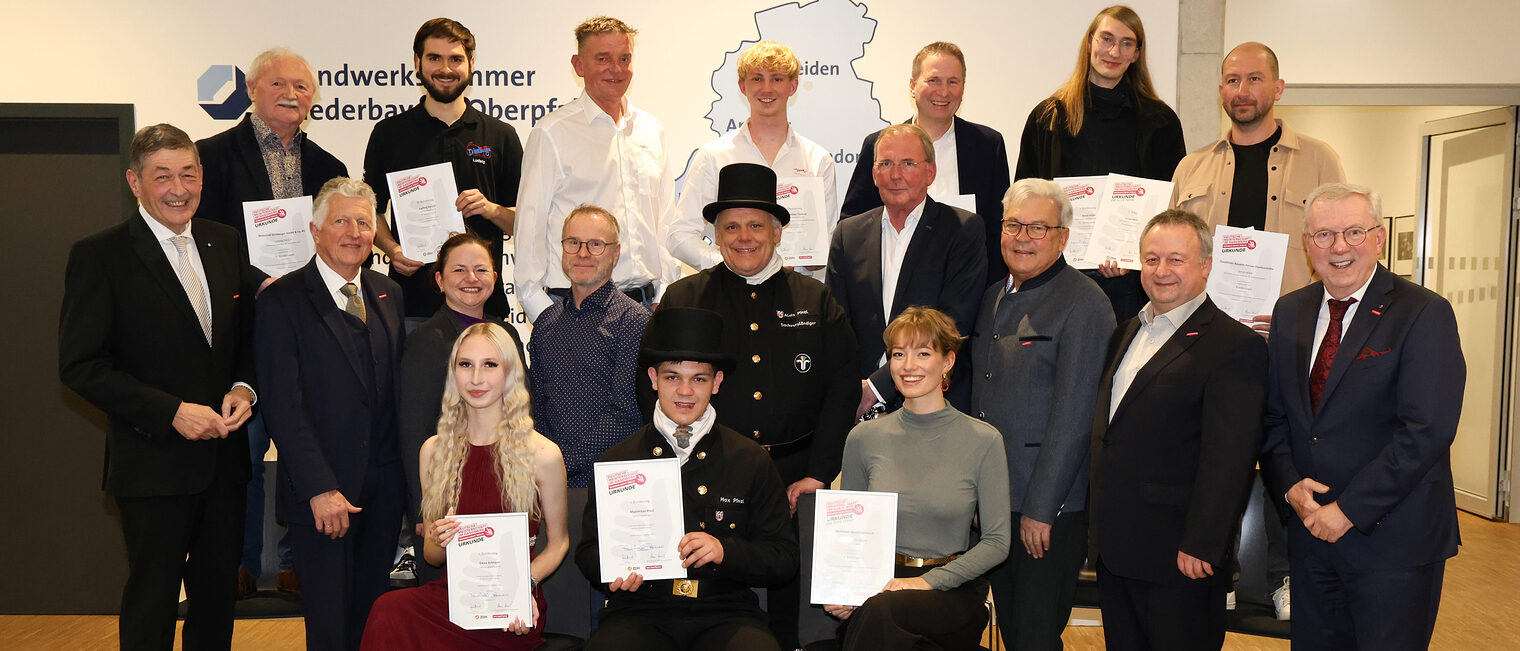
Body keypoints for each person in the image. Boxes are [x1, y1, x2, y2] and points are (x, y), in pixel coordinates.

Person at [60, 123, 261, 650]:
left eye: (188, 173)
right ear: (135, 182)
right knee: (151, 603)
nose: (178, 188)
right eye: (162, 175)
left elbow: (245, 341)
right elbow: (82, 366)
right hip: (152, 465)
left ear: (202, 176)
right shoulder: (100, 256)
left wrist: (244, 387)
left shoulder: (224, 241)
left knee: (217, 602)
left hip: (224, 465)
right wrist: (170, 411)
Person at [1170, 41, 1346, 620]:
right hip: (1207, 342)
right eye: (1231, 80)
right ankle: (1215, 567)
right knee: (1207, 454)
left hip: (1287, 341)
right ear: (1220, 90)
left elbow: (1337, 250)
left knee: (1287, 457)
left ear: (1277, 87)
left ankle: (1285, 576)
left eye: (1253, 79)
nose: (1241, 91)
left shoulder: (1318, 160)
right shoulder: (1191, 167)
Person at [659, 162, 859, 648]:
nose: (743, 237)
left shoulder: (816, 299)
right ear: (716, 232)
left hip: (794, 470)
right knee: (707, 588)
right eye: (731, 226)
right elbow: (655, 385)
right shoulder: (685, 297)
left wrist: (819, 470)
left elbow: (842, 390)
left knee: (785, 590)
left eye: (755, 225)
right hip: (705, 467)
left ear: (778, 230)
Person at [1261, 183, 1464, 650]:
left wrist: (1349, 511)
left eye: (1354, 232)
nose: (1339, 247)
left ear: (1379, 238)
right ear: (1307, 244)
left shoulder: (1423, 313)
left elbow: (1426, 430)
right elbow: (1274, 416)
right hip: (1311, 535)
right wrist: (1289, 484)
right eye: (1324, 235)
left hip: (1392, 541)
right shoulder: (1290, 311)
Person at [195, 45, 348, 599]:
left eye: (303, 87)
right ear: (253, 90)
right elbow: (205, 241)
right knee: (244, 449)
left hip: (312, 325)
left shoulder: (330, 167)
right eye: (280, 84)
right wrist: (260, 277)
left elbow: (341, 240)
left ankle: (297, 559)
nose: (291, 94)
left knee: (310, 438)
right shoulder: (211, 157)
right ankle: (236, 559)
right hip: (244, 322)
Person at [1090, 210, 1267, 650]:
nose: (1161, 271)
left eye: (1176, 259)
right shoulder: (1127, 331)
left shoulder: (1234, 346)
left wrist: (1205, 544)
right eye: (1151, 259)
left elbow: (1230, 459)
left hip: (1181, 556)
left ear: (1206, 265)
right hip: (1119, 549)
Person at [577, 307, 798, 651]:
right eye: (672, 377)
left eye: (699, 378)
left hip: (726, 611)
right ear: (653, 379)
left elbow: (784, 558)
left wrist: (726, 550)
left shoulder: (750, 458)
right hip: (639, 610)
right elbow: (588, 552)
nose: (685, 391)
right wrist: (614, 571)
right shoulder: (617, 460)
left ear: (717, 382)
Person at [256, 177, 407, 651]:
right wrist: (321, 489)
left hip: (382, 493)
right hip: (323, 496)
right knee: (328, 628)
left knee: (371, 620)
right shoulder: (282, 301)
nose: (355, 232)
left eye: (364, 222)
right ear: (315, 229)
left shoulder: (388, 293)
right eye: (341, 220)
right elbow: (283, 406)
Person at [363, 322, 570, 650]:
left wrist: (523, 588)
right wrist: (438, 539)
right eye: (465, 365)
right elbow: (432, 558)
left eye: (489, 365)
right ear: (453, 373)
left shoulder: (542, 454)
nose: (476, 378)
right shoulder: (434, 451)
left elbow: (558, 544)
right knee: (387, 610)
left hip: (511, 605)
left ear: (510, 373)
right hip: (450, 598)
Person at [970, 178, 1114, 649]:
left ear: (1064, 237)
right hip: (993, 503)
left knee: (1034, 636)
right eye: (1014, 225)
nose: (1022, 237)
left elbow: (1075, 418)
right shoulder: (993, 295)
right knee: (1011, 629)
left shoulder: (1085, 302)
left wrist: (1041, 509)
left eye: (1038, 227)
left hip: (1045, 508)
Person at [826, 306, 1011, 649]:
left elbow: (998, 542)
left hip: (950, 592)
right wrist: (844, 589)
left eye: (923, 353)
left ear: (947, 362)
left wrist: (926, 582)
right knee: (878, 614)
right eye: (898, 354)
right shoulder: (863, 439)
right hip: (879, 588)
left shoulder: (983, 440)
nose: (908, 366)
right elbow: (849, 534)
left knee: (881, 614)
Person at [1015, 5, 1186, 322]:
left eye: (1126, 43)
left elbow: (1172, 208)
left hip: (1133, 287)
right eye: (1106, 38)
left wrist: (1134, 254)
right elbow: (1024, 204)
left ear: (1136, 53)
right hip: (1056, 282)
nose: (1113, 51)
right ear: (1089, 42)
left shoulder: (1160, 122)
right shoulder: (1048, 118)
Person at [529, 204, 651, 635]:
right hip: (550, 490)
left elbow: (629, 411)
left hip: (606, 488)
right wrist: (547, 468)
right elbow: (536, 403)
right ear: (561, 249)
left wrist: (562, 465)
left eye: (595, 243)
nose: (583, 252)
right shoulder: (544, 323)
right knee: (559, 615)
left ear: (615, 253)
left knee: (604, 614)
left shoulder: (635, 321)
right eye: (573, 242)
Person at [514, 16, 677, 321]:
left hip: (646, 306)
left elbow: (665, 219)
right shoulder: (552, 133)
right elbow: (530, 226)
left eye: (624, 58)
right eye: (602, 58)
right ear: (578, 65)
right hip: (574, 308)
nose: (615, 69)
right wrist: (543, 314)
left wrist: (666, 290)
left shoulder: (652, 130)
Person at [363, 17, 523, 325]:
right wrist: (393, 249)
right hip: (412, 306)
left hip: (484, 307)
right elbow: (371, 209)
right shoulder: (389, 133)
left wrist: (490, 209)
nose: (445, 69)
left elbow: (524, 223)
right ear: (417, 62)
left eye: (455, 59)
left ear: (471, 64)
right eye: (435, 58)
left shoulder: (500, 135)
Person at [827, 124, 985, 417]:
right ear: (874, 174)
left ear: (930, 172)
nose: (895, 174)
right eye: (885, 163)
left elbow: (952, 324)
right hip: (856, 410)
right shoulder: (848, 235)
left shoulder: (963, 231)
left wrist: (876, 388)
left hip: (933, 406)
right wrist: (853, 392)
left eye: (908, 163)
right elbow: (836, 328)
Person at [397, 232, 528, 586]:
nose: (472, 279)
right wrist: (423, 508)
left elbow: (522, 404)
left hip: (502, 481)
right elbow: (413, 429)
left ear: (496, 279)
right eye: (459, 270)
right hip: (448, 491)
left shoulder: (507, 334)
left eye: (481, 270)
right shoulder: (426, 339)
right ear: (439, 280)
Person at [840, 41, 1010, 286]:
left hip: (967, 288)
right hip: (893, 286)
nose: (943, 91)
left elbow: (998, 228)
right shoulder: (880, 145)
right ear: (912, 86)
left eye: (953, 81)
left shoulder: (987, 145)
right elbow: (853, 224)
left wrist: (992, 297)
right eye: (934, 80)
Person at [670, 41, 837, 277]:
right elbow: (680, 236)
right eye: (757, 79)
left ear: (793, 86)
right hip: (727, 293)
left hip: (793, 294)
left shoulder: (818, 160)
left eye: (777, 79)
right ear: (742, 86)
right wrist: (732, 263)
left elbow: (826, 245)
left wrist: (811, 258)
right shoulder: (713, 156)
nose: (766, 89)